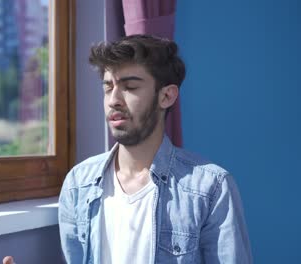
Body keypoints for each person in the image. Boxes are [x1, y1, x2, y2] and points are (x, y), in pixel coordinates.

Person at [57, 35, 252, 263]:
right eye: (108, 88)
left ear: (166, 96)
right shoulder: (79, 183)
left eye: (130, 87)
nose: (114, 100)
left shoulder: (211, 188)